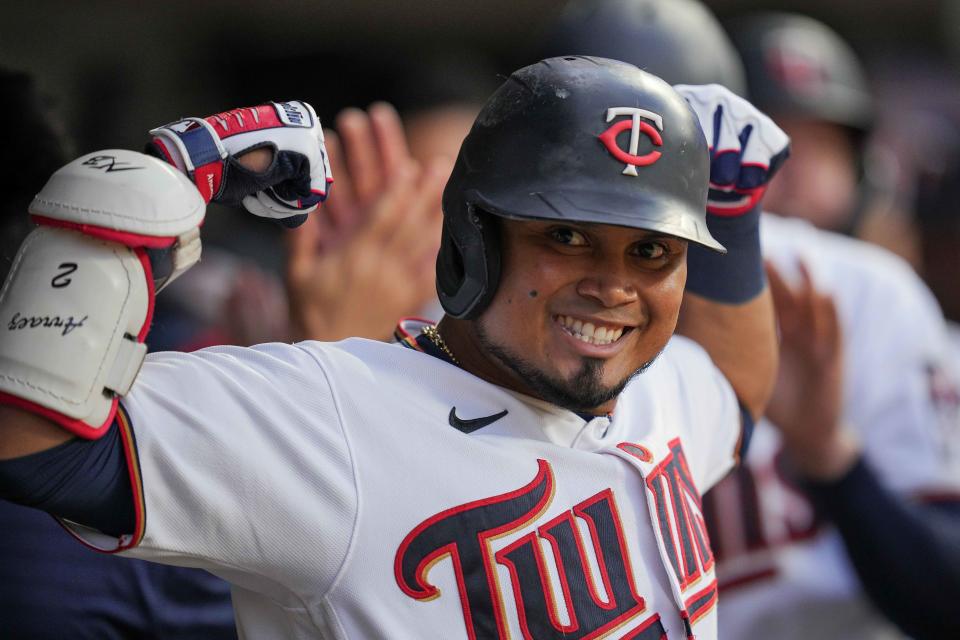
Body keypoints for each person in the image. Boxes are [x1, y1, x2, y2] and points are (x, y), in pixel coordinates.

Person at [0, 60, 787, 638]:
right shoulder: (334, 406)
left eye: (652, 252)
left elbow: (739, 391)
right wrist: (143, 193)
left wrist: (737, 218)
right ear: (477, 238)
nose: (613, 286)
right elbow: (32, 443)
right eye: (567, 236)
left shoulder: (656, 391)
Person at [541, 1, 960, 637]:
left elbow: (945, 597)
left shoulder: (859, 292)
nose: (628, 158)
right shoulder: (506, 311)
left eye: (652, 134)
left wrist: (829, 457)